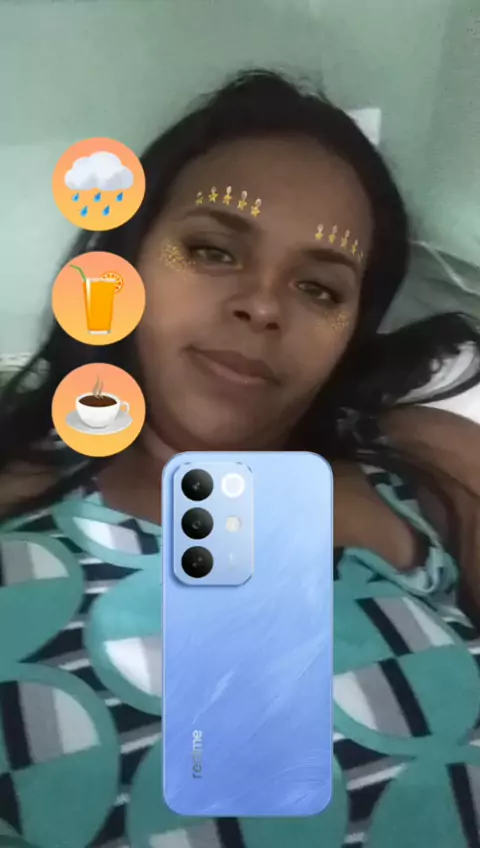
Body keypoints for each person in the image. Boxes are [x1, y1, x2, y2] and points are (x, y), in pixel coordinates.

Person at [0, 69, 479, 848]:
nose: (262, 304)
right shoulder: (15, 495)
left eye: (319, 289)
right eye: (212, 249)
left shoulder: (426, 464)